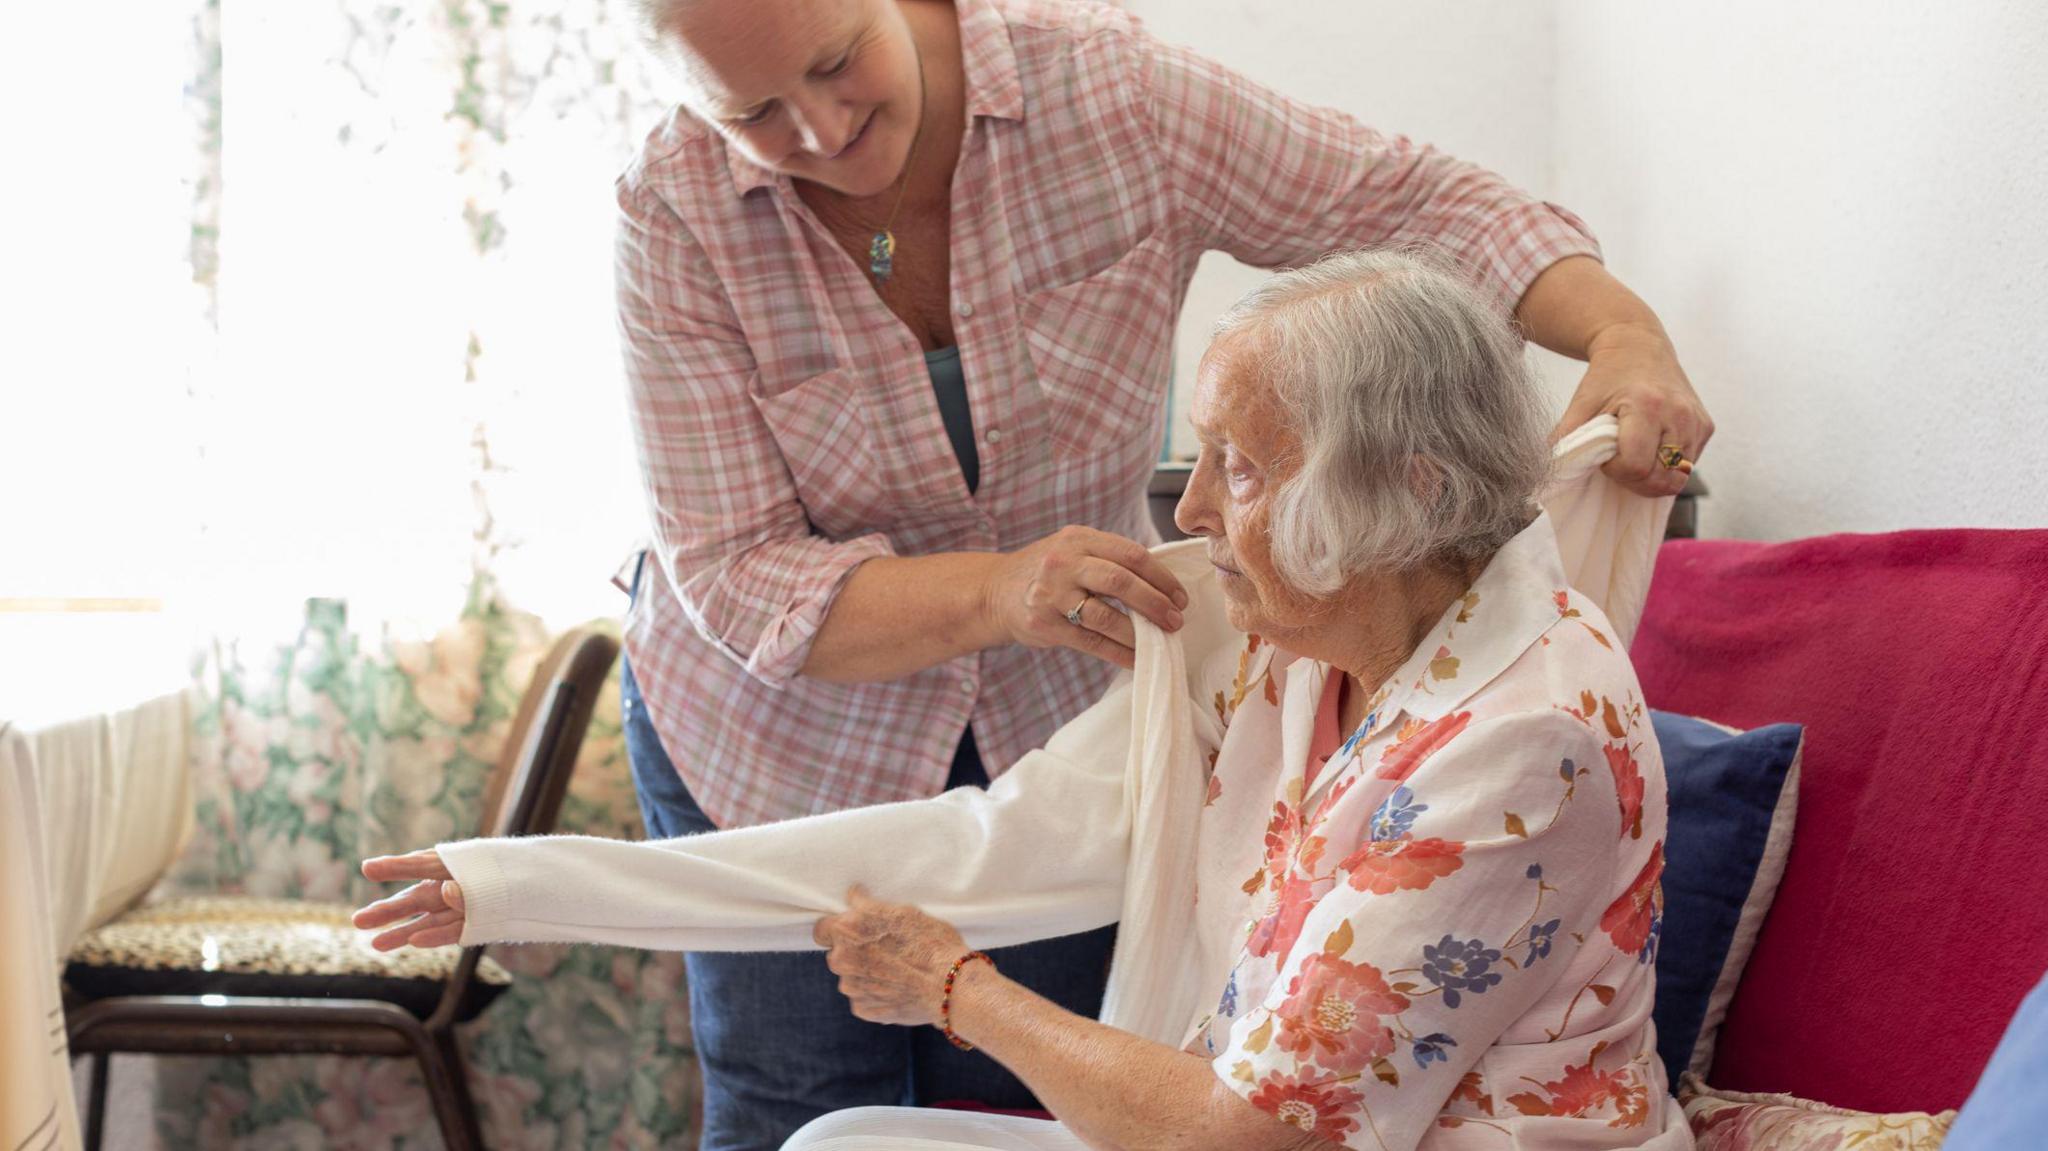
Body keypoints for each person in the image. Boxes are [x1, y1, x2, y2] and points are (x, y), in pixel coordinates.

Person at [612, 0, 1709, 1142]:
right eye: (753, 115)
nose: (823, 129)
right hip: (780, 728)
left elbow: (1416, 204)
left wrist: (1622, 336)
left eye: (838, 64)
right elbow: (738, 571)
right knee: (794, 1104)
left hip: (1061, 683)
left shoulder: (1111, 94)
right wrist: (993, 590)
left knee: (1033, 1076)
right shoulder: (672, 212)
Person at [359, 250, 1692, 1150]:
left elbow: (1254, 1136)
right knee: (840, 1136)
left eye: (1239, 464)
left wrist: (959, 989)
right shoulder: (1289, 635)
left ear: (1408, 492)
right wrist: (514, 883)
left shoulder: (1524, 736)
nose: (1188, 507)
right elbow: (977, 843)